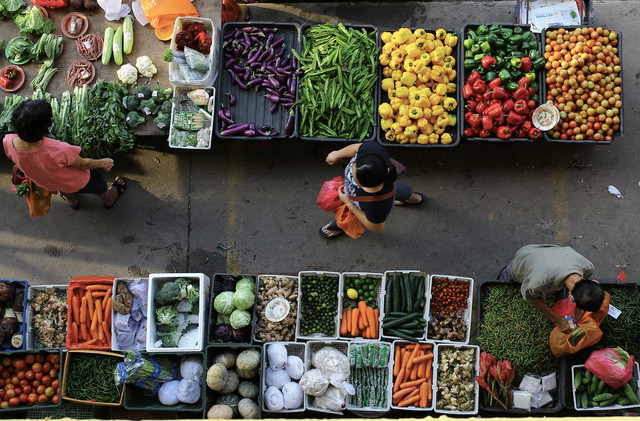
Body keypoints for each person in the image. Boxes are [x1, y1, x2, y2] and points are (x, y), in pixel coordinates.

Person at [3, 99, 125, 210]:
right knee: (98, 184)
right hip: (76, 180)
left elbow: (13, 158)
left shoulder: (8, 141)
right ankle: (109, 199)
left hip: (47, 182)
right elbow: (83, 164)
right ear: (44, 128)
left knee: (63, 189)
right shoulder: (57, 149)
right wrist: (102, 163)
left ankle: (72, 201)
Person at [319, 140, 425, 239]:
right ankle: (414, 198)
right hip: (388, 188)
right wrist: (337, 154)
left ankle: (342, 225)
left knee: (353, 217)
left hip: (357, 204)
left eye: (353, 178)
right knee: (398, 189)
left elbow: (376, 227)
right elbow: (357, 148)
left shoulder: (376, 204)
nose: (351, 173)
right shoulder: (372, 149)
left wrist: (349, 204)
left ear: (362, 186)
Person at [499, 244, 605, 334]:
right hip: (526, 256)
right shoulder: (538, 283)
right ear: (570, 297)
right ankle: (504, 275)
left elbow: (582, 289)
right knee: (511, 274)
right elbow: (532, 298)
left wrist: (578, 308)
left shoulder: (587, 267)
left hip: (550, 254)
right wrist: (557, 319)